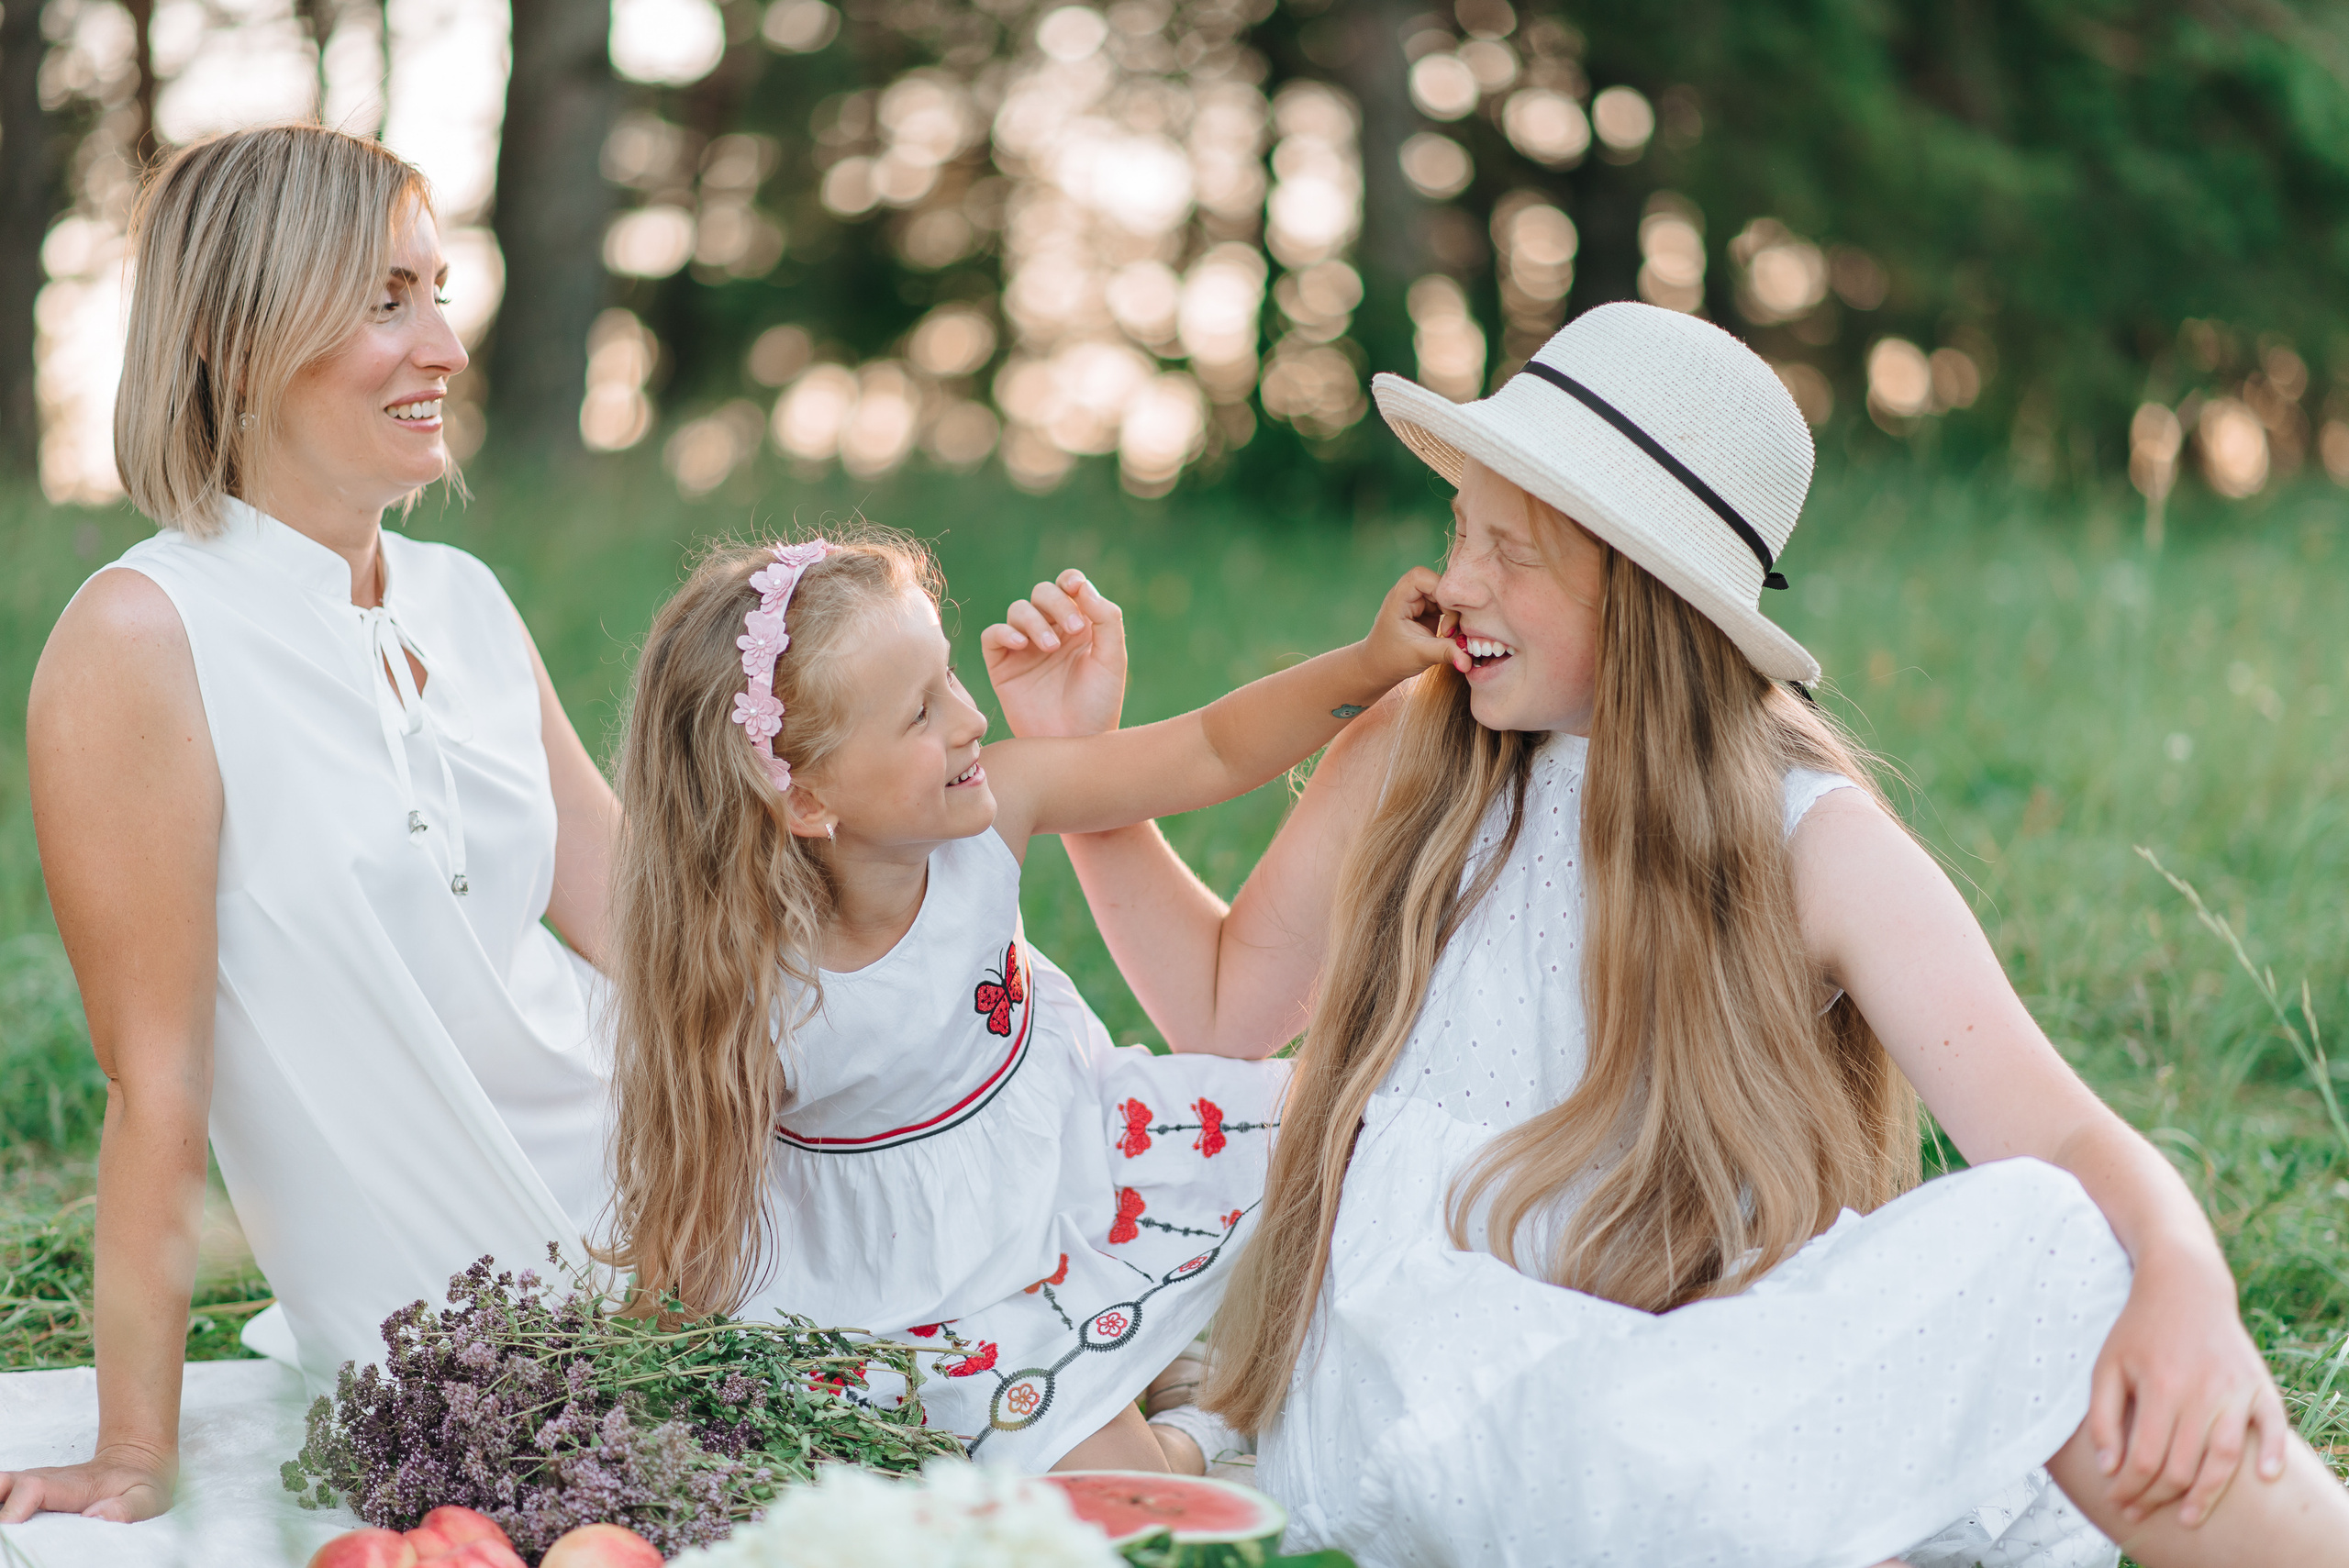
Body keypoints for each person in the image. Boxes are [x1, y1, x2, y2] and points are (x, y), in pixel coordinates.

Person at [985, 305, 2349, 1565]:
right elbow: (1225, 1010)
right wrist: (1090, 779)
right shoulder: (1421, 751)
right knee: (2007, 1296)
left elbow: (2053, 1134)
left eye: (1510, 550)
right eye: (1460, 526)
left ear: (1648, 594)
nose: (1453, 581)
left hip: (1669, 1380)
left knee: (2062, 1237)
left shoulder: (1805, 835)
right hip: (1413, 1388)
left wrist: (2187, 1281)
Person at [1, 126, 618, 1525]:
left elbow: (646, 919)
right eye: (386, 298)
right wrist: (132, 1454)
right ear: (234, 333)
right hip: (475, 1320)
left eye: (441, 290)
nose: (446, 346)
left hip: (671, 1197)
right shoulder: (143, 636)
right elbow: (155, 1083)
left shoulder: (466, 599)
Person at [596, 529, 1449, 1473]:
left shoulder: (995, 804)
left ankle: (1152, 1353)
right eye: (919, 713)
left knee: (1365, 1163)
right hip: (932, 1281)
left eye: (949, 677)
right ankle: (1194, 1435)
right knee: (1124, 1491)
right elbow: (693, 1207)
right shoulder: (752, 989)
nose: (967, 718)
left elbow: (1207, 748)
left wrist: (1370, 665)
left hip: (1077, 1151)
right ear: (804, 797)